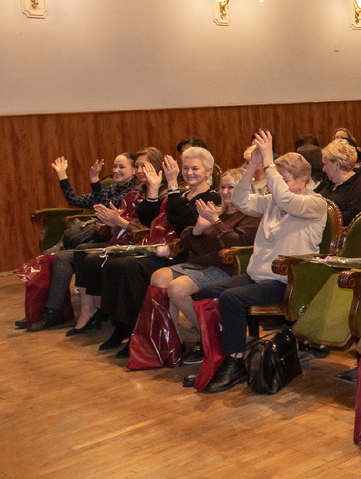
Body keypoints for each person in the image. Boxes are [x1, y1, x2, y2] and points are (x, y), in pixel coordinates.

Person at [196, 131, 329, 392]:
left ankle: (235, 362)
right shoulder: (272, 202)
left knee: (231, 299)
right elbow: (240, 200)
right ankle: (218, 354)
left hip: (286, 280)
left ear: (303, 179)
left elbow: (286, 199)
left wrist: (268, 160)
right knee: (205, 293)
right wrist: (252, 166)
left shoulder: (315, 203)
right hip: (258, 276)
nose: (274, 184)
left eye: (283, 179)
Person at [86, 146, 220, 356]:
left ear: (208, 172)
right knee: (113, 263)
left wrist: (172, 184)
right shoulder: (182, 194)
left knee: (130, 268)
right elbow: (149, 218)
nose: (189, 172)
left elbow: (182, 220)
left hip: (185, 254)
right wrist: (154, 189)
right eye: (186, 168)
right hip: (164, 250)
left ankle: (136, 329)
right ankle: (125, 326)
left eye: (195, 168)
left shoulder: (211, 197)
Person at [148, 167, 259, 359]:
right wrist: (198, 229)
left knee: (177, 289)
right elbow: (189, 243)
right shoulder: (216, 212)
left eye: (231, 187)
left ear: (244, 190)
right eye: (222, 187)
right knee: (158, 278)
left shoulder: (251, 216)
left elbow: (236, 243)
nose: (225, 191)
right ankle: (175, 343)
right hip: (200, 265)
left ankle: (208, 337)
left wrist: (215, 222)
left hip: (227, 268)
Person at [25, 153, 140, 332]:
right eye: (115, 166)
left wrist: (95, 181)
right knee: (62, 258)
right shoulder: (111, 189)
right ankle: (52, 313)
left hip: (117, 241)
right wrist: (62, 175)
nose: (116, 170)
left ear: (134, 170)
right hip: (100, 239)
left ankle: (89, 311)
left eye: (122, 167)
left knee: (76, 252)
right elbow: (74, 200)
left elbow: (104, 206)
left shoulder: (133, 191)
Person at [316, 139, 361, 224]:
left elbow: (352, 219)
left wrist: (318, 217)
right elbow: (312, 198)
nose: (323, 169)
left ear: (337, 164)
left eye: (325, 164)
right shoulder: (327, 183)